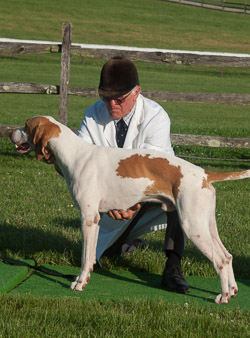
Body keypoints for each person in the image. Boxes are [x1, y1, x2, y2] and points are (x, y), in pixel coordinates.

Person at [77, 56, 189, 294]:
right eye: (105, 98)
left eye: (120, 98)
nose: (112, 104)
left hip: (155, 194)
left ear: (136, 92)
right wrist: (111, 205)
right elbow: (81, 168)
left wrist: (129, 202)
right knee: (106, 254)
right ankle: (128, 244)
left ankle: (173, 266)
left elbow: (152, 173)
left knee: (182, 190)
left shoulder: (156, 117)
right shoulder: (91, 116)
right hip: (109, 203)